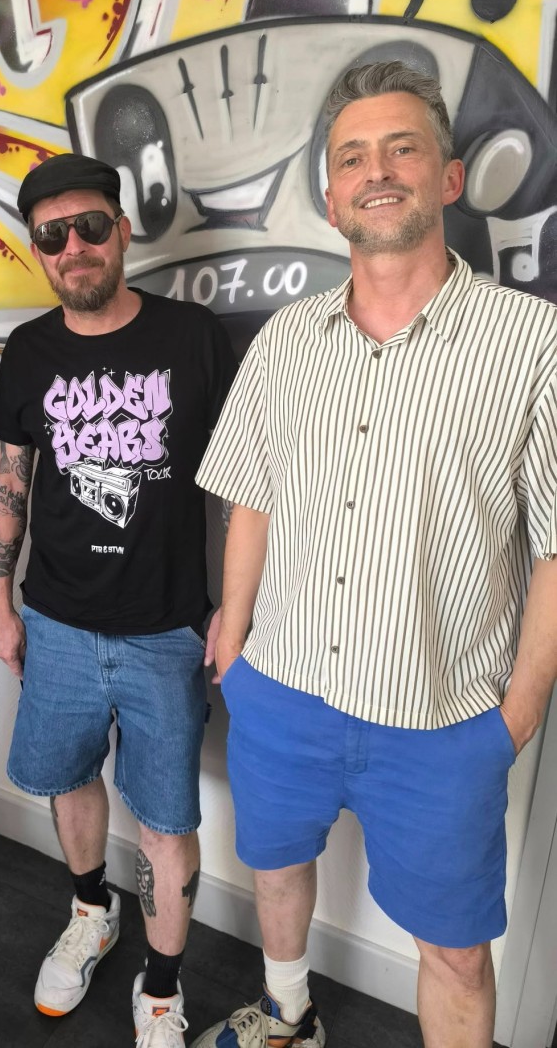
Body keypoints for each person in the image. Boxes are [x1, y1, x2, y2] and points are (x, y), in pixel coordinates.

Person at [193, 61, 557, 1048]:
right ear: (330, 198)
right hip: (279, 691)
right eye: (351, 157)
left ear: (447, 175)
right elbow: (250, 494)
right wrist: (234, 641)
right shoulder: (284, 341)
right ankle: (287, 1015)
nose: (376, 170)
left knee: (456, 954)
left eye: (401, 147)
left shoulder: (532, 344)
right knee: (275, 871)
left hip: (441, 719)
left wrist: (519, 708)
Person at [0, 153, 236, 1046]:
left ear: (121, 230)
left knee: (166, 820)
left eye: (90, 225)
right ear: (38, 252)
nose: (74, 246)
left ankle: (160, 988)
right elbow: (9, 482)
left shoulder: (193, 337)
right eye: (52, 235)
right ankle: (91, 910)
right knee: (69, 777)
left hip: (167, 628)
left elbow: (245, 485)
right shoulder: (29, 350)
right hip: (54, 620)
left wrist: (237, 609)